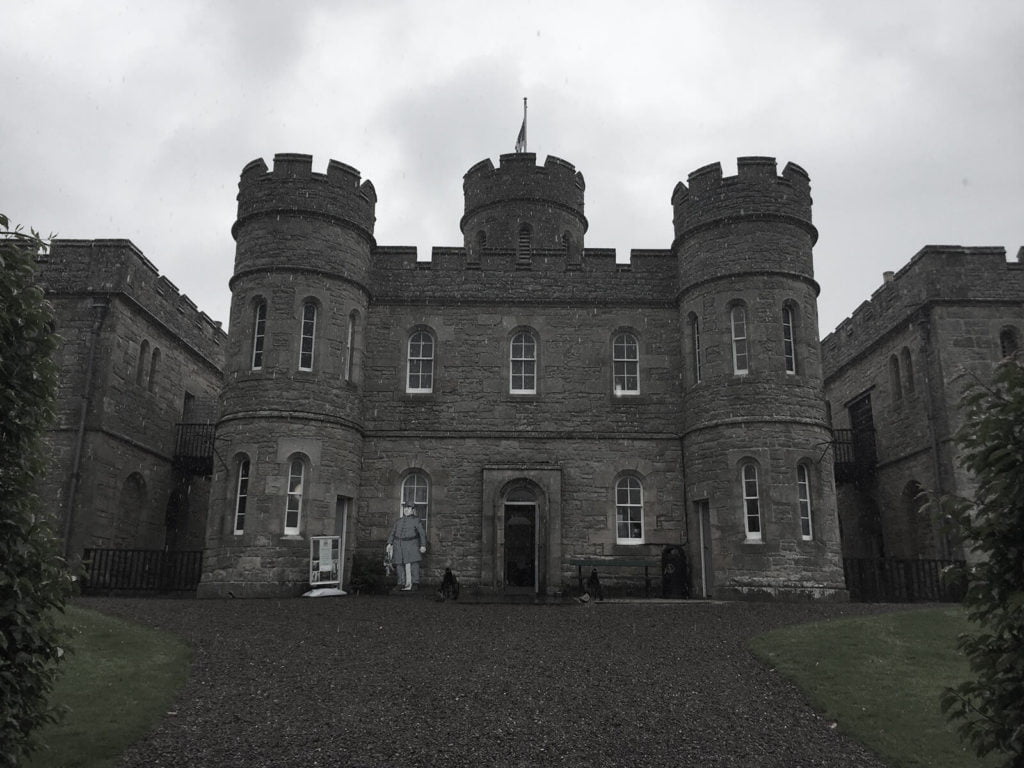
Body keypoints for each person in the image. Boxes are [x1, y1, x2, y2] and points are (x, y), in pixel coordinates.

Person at [386, 503, 427, 591]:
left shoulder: (416, 520)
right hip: (398, 545)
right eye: (405, 507)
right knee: (399, 564)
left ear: (412, 510)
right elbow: (393, 532)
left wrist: (423, 545)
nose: (406, 509)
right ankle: (400, 583)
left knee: (414, 563)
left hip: (412, 544)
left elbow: (422, 534)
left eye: (408, 508)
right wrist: (389, 543)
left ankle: (415, 583)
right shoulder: (398, 521)